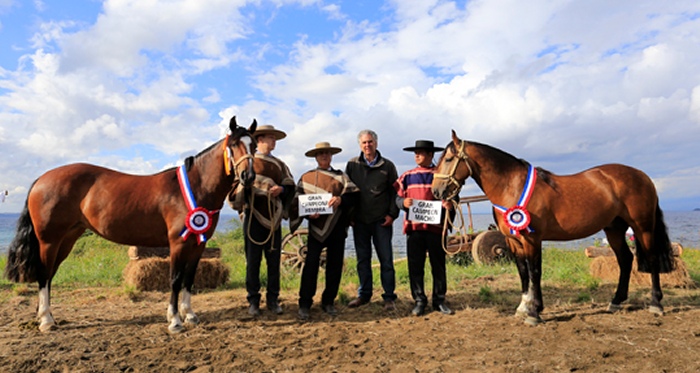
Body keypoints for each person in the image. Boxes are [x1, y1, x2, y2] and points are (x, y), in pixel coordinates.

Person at [229, 124, 295, 316]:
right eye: (270, 138)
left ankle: (273, 300)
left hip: (273, 217)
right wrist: (246, 188)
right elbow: (235, 186)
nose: (274, 141)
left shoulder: (281, 165)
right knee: (253, 261)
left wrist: (281, 190)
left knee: (274, 261)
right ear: (260, 140)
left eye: (275, 138)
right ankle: (253, 300)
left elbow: (290, 186)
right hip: (253, 216)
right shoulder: (246, 161)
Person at [290, 142, 360, 321]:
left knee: (334, 266)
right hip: (315, 229)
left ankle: (328, 301)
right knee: (311, 266)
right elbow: (297, 202)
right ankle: (304, 303)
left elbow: (354, 196)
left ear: (331, 156)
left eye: (327, 154)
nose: (324, 156)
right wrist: (307, 215)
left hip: (337, 227)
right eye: (321, 154)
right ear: (316, 157)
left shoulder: (341, 176)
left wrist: (340, 200)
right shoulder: (306, 177)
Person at [394, 140, 454, 316]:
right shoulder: (406, 176)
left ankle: (439, 300)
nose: (417, 156)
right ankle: (419, 300)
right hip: (415, 228)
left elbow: (453, 197)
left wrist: (450, 205)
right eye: (416, 153)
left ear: (430, 155)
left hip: (436, 228)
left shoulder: (441, 175)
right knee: (415, 266)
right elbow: (396, 198)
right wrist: (403, 203)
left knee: (438, 265)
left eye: (420, 152)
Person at [345, 129, 399, 311]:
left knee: (386, 260)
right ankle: (364, 295)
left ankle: (389, 297)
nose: (367, 145)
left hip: (381, 221)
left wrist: (392, 214)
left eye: (370, 142)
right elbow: (347, 192)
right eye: (364, 143)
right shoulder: (352, 165)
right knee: (363, 260)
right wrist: (350, 216)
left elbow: (395, 192)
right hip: (360, 221)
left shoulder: (388, 166)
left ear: (376, 143)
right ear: (360, 145)